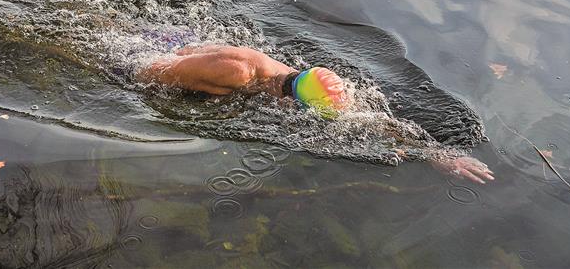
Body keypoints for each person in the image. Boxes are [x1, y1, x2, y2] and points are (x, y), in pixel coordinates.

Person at [137, 44, 495, 184]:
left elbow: (368, 122)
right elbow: (147, 71)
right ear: (291, 103)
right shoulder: (236, 72)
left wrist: (437, 154)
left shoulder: (290, 81)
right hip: (147, 54)